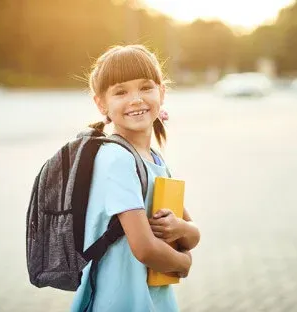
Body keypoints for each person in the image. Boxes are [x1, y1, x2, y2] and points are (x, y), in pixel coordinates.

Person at [70, 45, 201, 312]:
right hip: (122, 299)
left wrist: (179, 229)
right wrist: (184, 263)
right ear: (101, 103)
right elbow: (145, 249)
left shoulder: (155, 159)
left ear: (161, 92)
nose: (136, 99)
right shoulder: (117, 159)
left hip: (154, 298)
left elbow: (191, 233)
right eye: (120, 92)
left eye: (145, 87)